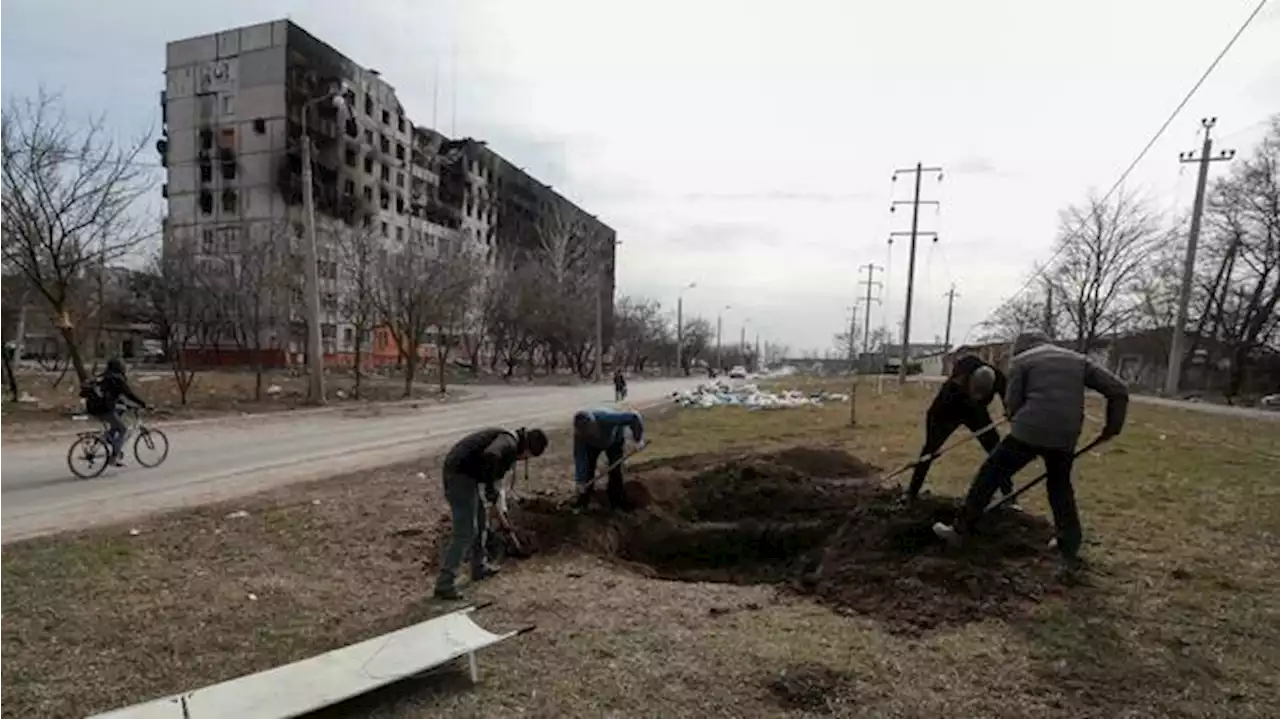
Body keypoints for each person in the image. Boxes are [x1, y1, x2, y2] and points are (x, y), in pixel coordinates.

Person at [932, 331, 1129, 578]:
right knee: (1059, 485)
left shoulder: (1022, 361)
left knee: (992, 472)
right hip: (1066, 435)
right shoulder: (1079, 360)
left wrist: (1013, 414)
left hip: (1030, 430)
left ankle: (960, 531)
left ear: (1020, 348)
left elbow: (1012, 404)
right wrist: (1112, 427)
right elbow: (1118, 390)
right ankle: (1069, 543)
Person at [434, 426, 549, 601]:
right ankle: (444, 584)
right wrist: (488, 487)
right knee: (465, 532)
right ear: (527, 449)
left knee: (481, 523)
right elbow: (491, 455)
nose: (523, 460)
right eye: (527, 457)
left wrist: (493, 495)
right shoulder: (508, 443)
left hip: (468, 477)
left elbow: (493, 477)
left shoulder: (508, 443)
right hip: (458, 476)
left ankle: (479, 567)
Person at [905, 356, 1013, 505]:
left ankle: (1010, 496)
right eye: (975, 392)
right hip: (948, 409)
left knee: (996, 450)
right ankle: (911, 494)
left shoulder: (997, 378)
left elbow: (1008, 399)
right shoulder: (958, 378)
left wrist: (1010, 410)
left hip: (976, 412)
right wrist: (934, 438)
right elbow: (935, 415)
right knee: (929, 451)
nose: (977, 396)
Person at [572, 407, 645, 511]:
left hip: (614, 441)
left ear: (594, 424)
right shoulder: (580, 436)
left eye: (589, 431)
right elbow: (580, 458)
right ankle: (583, 502)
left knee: (615, 470)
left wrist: (638, 439)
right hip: (592, 447)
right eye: (585, 433)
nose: (589, 434)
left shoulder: (606, 418)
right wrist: (580, 481)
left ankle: (617, 501)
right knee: (587, 471)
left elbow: (633, 417)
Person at [83, 358, 148, 467]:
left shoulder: (105, 377)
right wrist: (142, 403)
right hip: (104, 409)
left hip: (94, 407)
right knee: (123, 429)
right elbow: (128, 394)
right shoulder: (117, 379)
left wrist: (126, 405)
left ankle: (109, 438)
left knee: (118, 416)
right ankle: (114, 456)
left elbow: (114, 395)